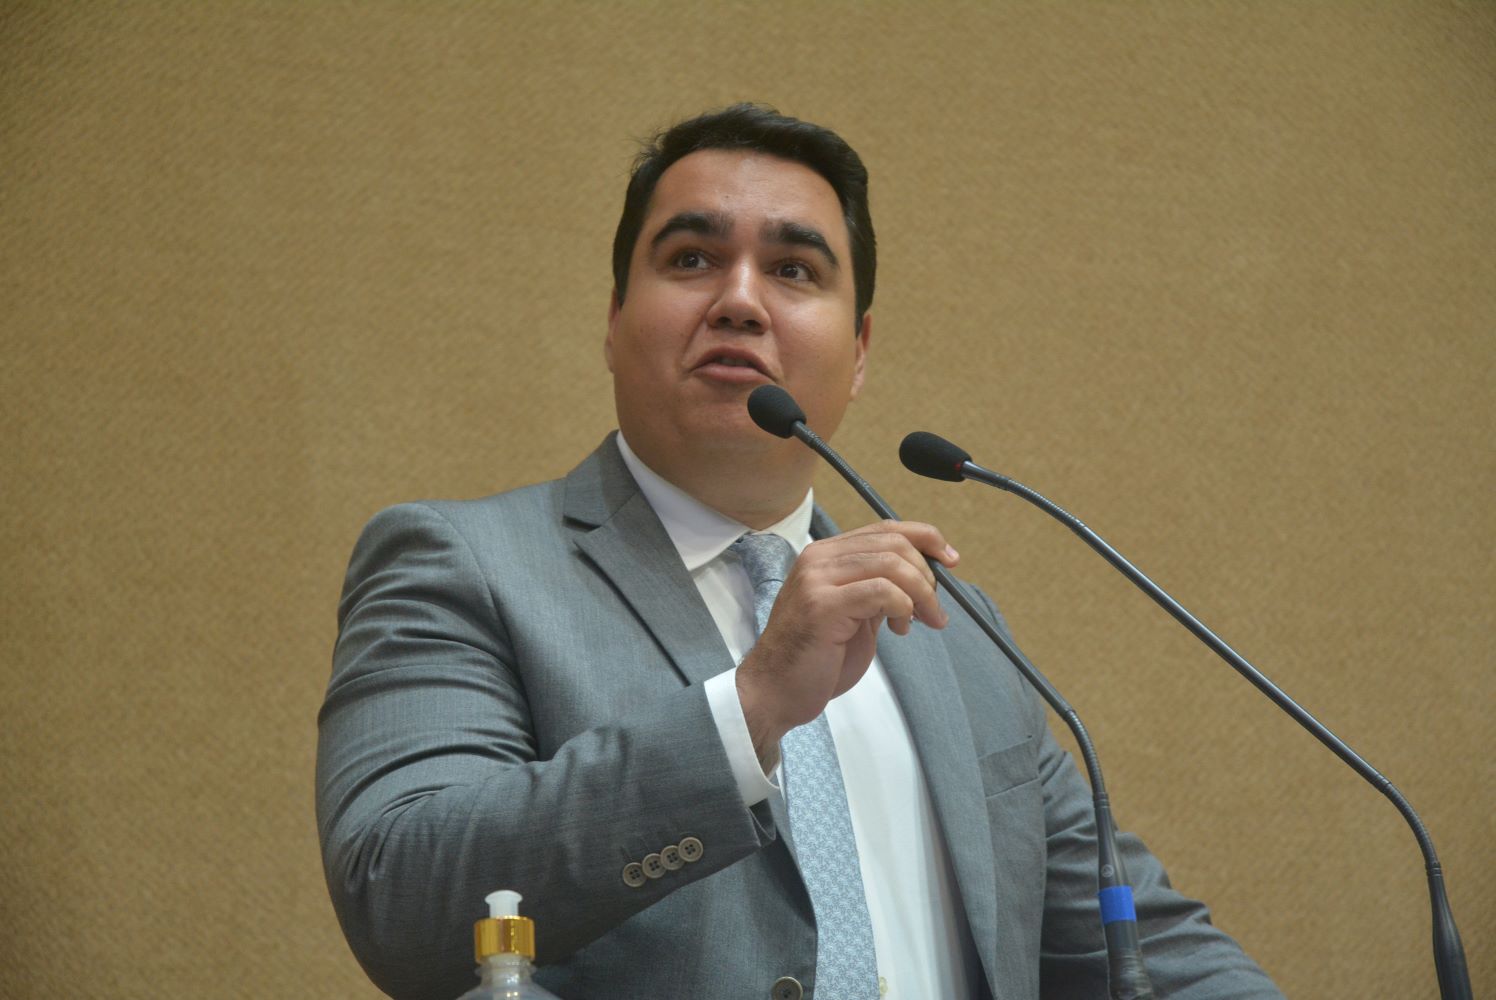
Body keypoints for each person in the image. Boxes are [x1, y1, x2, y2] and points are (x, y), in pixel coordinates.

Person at [317, 104, 1283, 1000]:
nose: (740, 301)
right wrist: (749, 709)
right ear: (614, 321)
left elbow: (1142, 953)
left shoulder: (955, 633)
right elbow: (402, 897)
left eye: (793, 271)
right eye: (692, 258)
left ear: (858, 352)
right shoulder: (463, 566)